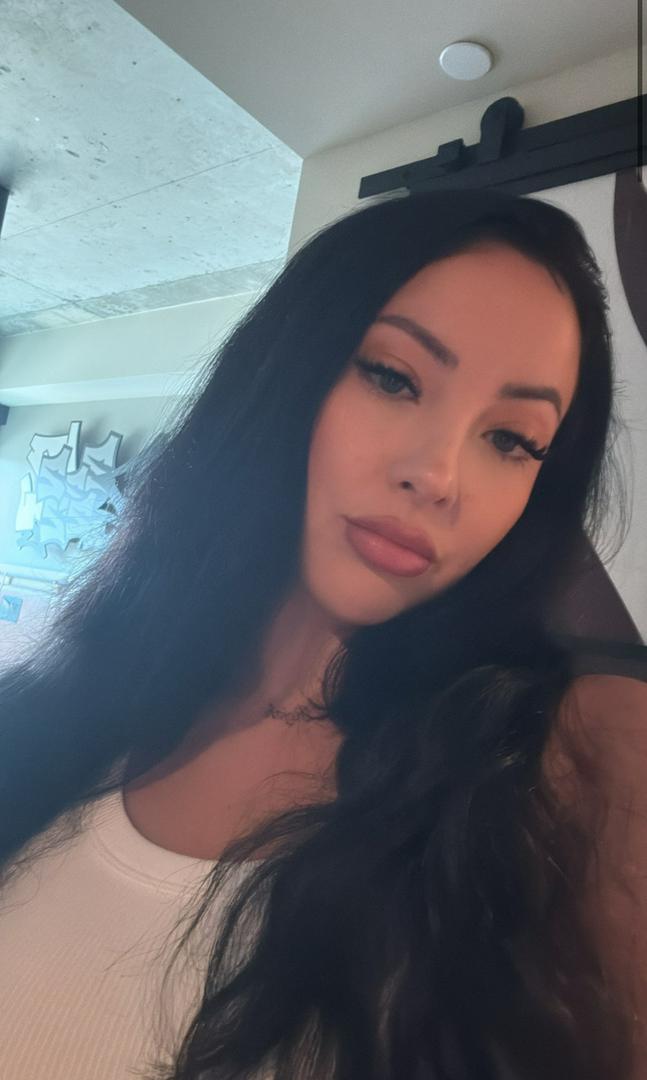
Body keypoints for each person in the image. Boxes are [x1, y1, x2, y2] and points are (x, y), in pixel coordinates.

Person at [0, 186, 645, 1080]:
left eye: (511, 439)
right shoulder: (51, 708)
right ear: (283, 374)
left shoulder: (567, 759)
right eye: (393, 377)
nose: (438, 475)